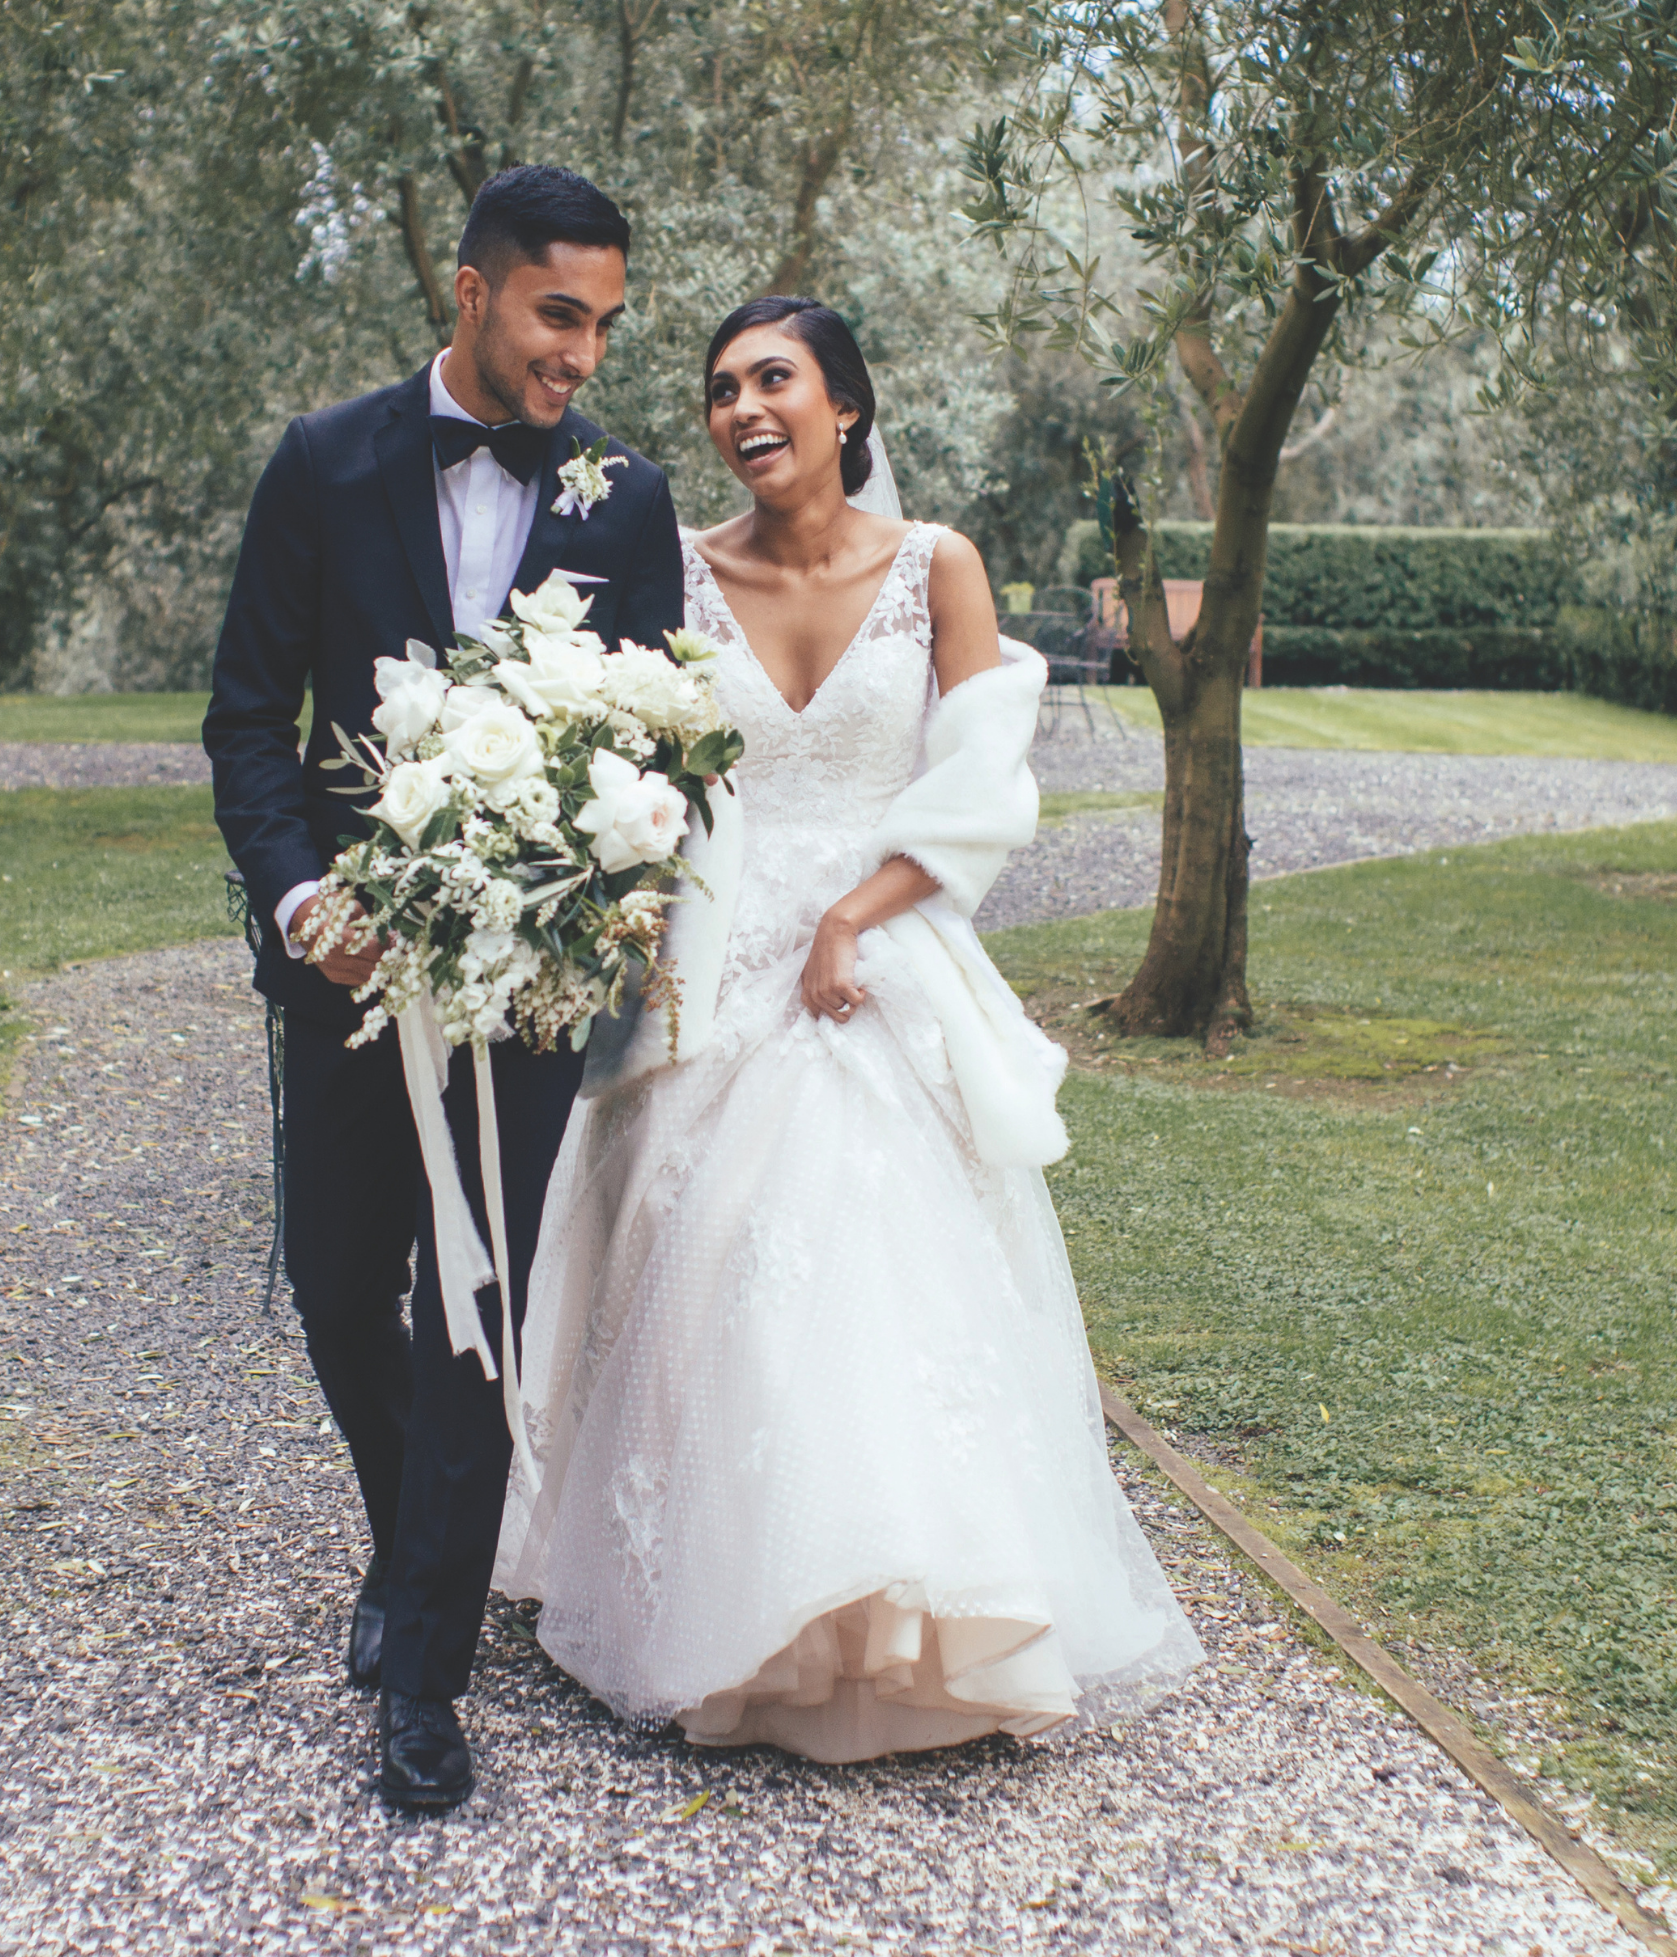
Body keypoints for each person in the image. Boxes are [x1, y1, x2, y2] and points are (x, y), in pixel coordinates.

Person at [497, 296, 1201, 1760]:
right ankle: (736, 1606)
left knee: (877, 1241)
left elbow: (979, 786)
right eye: (717, 389)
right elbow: (626, 769)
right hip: (711, 957)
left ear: (846, 406)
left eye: (774, 378)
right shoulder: (674, 571)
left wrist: (853, 917)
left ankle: (911, 1598)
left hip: (876, 953)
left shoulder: (936, 564)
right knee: (706, 1261)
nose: (742, 407)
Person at [205, 165, 684, 1809]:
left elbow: (654, 738)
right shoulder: (323, 463)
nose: (583, 356)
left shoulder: (623, 498)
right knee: (341, 1286)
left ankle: (424, 1665)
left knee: (471, 1309)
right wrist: (295, 896)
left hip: (525, 990)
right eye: (561, 314)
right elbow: (245, 720)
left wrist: (611, 893)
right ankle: (421, 1542)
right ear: (470, 292)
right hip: (346, 973)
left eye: (606, 325)